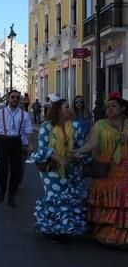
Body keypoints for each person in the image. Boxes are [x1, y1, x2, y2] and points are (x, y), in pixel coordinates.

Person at [72, 92, 128, 248]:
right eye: (108, 106)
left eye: (113, 106)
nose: (109, 109)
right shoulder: (100, 125)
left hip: (125, 168)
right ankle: (106, 233)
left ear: (123, 108)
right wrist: (79, 151)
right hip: (106, 169)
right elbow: (92, 144)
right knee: (112, 194)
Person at [30, 97, 88, 242]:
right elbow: (43, 149)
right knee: (55, 197)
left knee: (68, 198)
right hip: (52, 169)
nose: (70, 109)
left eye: (69, 107)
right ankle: (53, 230)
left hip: (70, 168)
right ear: (59, 111)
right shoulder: (47, 126)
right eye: (66, 107)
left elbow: (80, 146)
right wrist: (58, 157)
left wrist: (77, 155)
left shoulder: (75, 126)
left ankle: (65, 230)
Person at [0, 89, 34, 207]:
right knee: (2, 168)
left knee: (16, 170)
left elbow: (29, 130)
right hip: (3, 141)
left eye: (17, 98)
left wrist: (30, 144)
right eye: (13, 97)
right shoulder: (0, 113)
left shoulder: (24, 115)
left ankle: (11, 196)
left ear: (20, 100)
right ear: (8, 98)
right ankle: (2, 189)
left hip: (16, 141)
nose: (15, 99)